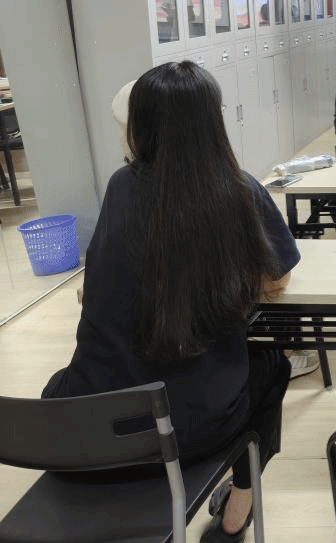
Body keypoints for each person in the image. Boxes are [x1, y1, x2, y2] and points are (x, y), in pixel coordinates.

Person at [42, 61, 300, 543]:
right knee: (270, 363)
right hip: (190, 430)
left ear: (139, 126)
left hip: (90, 427)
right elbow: (277, 279)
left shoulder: (120, 186)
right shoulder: (239, 188)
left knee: (71, 378)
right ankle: (237, 510)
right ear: (214, 122)